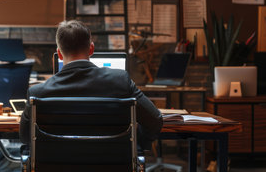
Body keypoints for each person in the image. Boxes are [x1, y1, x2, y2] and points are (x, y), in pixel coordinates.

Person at [19, 20, 162, 149]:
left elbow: (26, 137)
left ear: (59, 54)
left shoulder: (37, 93)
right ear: (91, 49)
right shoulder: (120, 81)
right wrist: (137, 142)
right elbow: (154, 120)